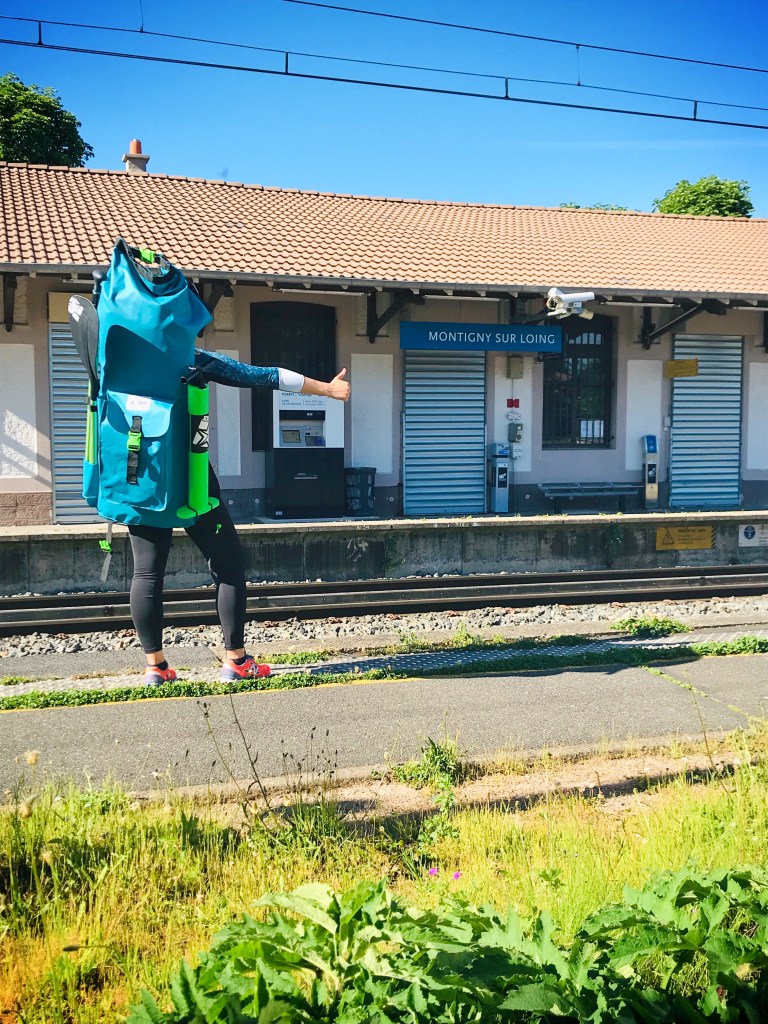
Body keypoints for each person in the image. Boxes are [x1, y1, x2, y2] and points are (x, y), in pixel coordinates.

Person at [131, 352, 350, 686]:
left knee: (146, 572)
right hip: (190, 477)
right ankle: (236, 661)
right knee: (228, 564)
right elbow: (259, 375)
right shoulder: (183, 352)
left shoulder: (115, 353)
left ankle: (155, 668)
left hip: (138, 473)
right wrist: (326, 390)